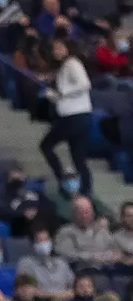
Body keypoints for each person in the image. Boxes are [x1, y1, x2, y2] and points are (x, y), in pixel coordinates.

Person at [40, 38, 95, 198]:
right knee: (78, 157)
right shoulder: (65, 66)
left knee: (46, 145)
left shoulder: (72, 63)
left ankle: (63, 180)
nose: (56, 51)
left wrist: (60, 93)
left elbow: (84, 84)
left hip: (74, 117)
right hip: (78, 116)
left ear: (68, 48)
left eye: (59, 47)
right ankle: (86, 190)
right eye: (54, 48)